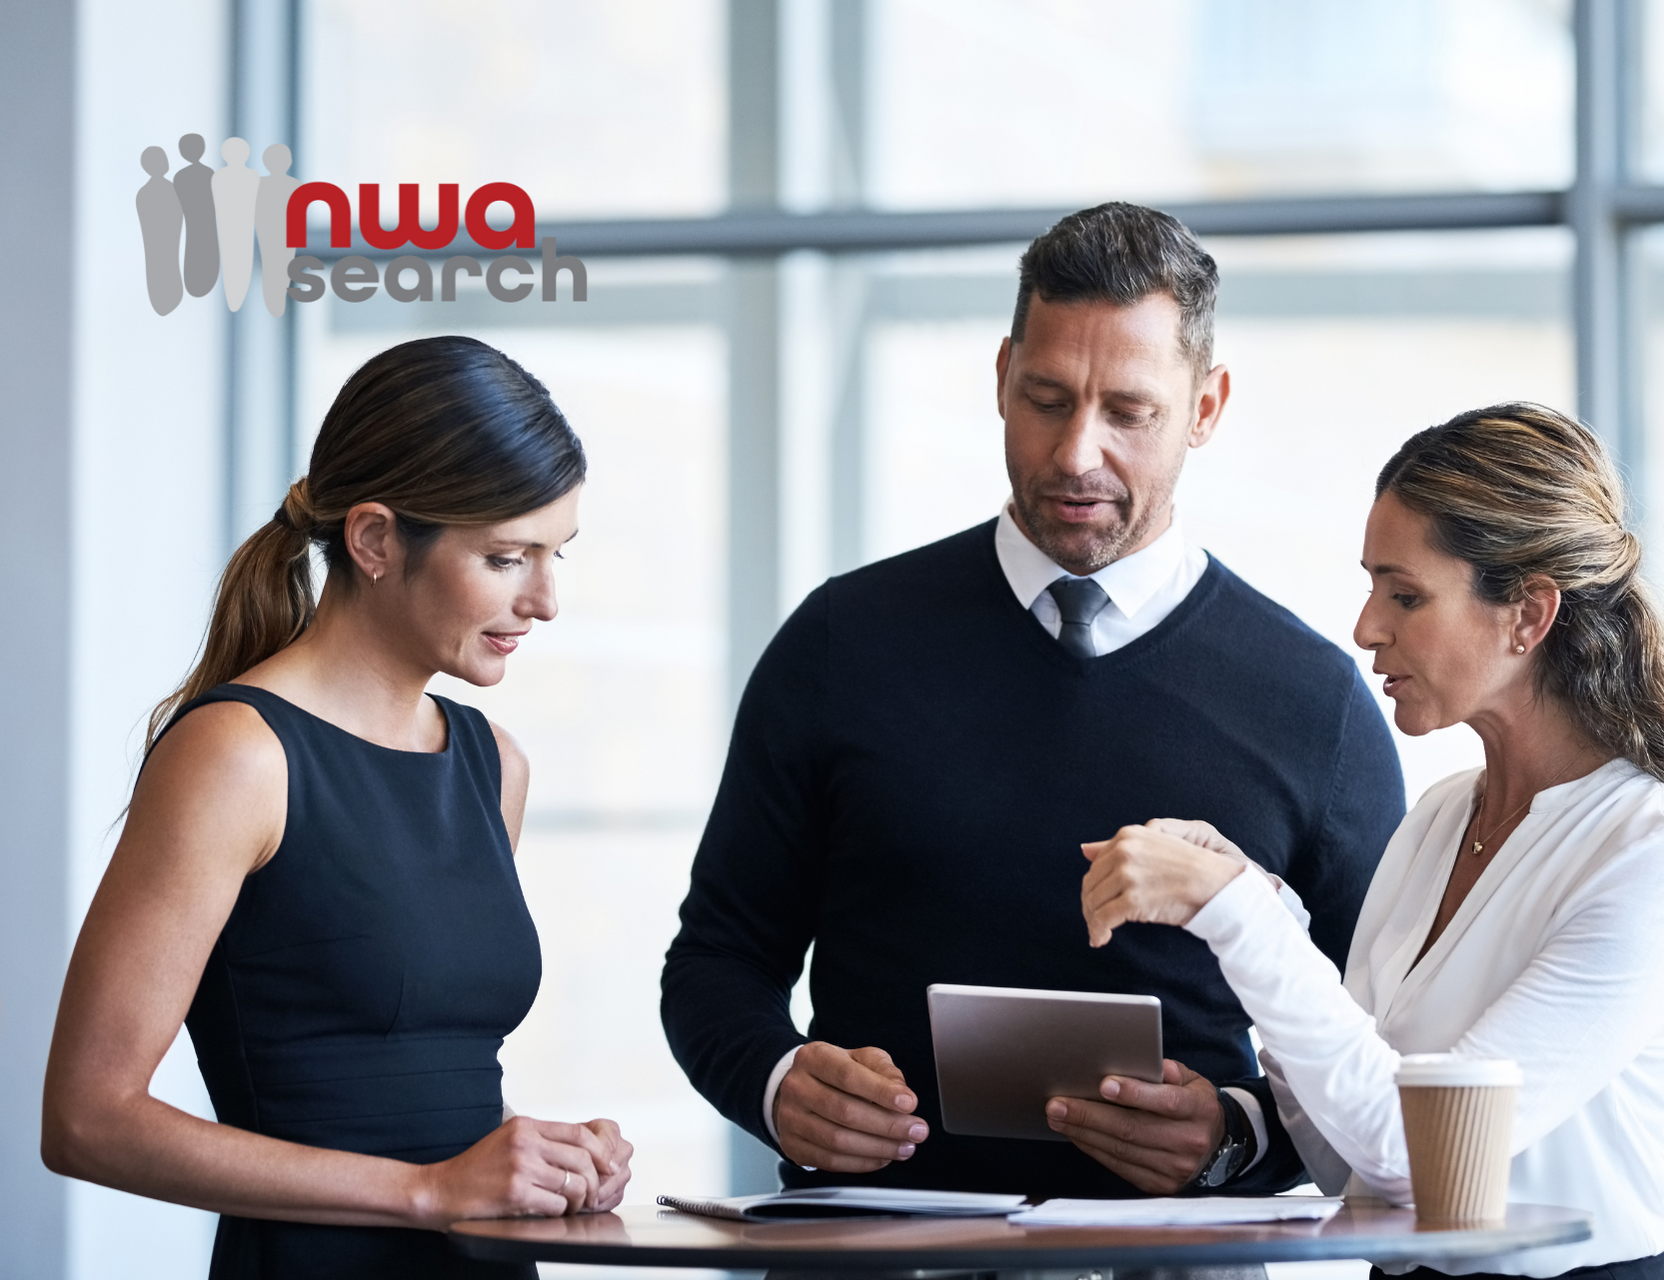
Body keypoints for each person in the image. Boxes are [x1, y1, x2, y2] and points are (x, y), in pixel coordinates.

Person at [662, 202, 1406, 1199]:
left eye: (1129, 412)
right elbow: (716, 959)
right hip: (873, 1266)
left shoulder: (1312, 697)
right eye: (1047, 398)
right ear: (1002, 376)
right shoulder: (841, 642)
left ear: (1207, 407)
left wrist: (1237, 1136)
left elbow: (1387, 1048)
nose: (1075, 455)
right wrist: (778, 1079)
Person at [1079, 403, 1664, 1277]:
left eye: (1406, 595)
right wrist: (1254, 895)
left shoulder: (1652, 852)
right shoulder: (1436, 822)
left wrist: (1237, 913)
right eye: (1372, 587)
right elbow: (1350, 1150)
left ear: (1528, 616)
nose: (1366, 628)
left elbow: (1419, 1156)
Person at [42, 336, 633, 1280]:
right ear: (373, 540)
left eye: (555, 554)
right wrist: (428, 1191)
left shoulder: (494, 766)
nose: (546, 600)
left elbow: (417, 1088)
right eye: (507, 556)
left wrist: (541, 1160)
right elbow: (86, 1120)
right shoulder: (236, 756)